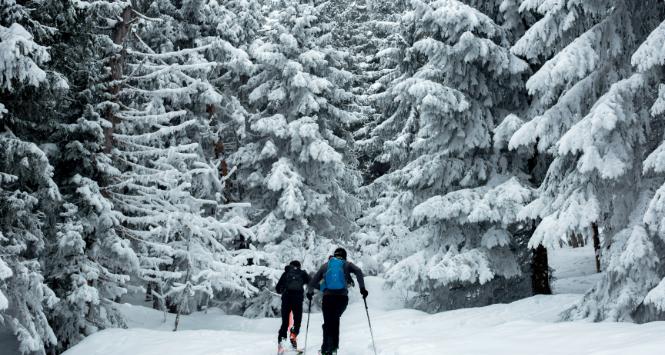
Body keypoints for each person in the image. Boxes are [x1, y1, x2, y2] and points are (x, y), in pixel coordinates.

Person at [307, 247, 368, 355]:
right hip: (342, 298)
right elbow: (358, 271)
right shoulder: (347, 264)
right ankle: (333, 348)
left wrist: (311, 292)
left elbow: (312, 282)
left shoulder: (325, 266)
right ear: (344, 256)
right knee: (335, 320)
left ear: (334, 255)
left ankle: (326, 348)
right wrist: (362, 288)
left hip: (328, 298)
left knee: (328, 323)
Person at [276, 260, 311, 351]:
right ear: (299, 266)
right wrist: (310, 293)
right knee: (297, 321)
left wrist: (282, 290)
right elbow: (311, 282)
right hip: (298, 300)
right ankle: (293, 335)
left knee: (285, 323)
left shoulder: (286, 273)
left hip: (286, 299)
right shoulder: (302, 273)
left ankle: (282, 344)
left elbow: (278, 288)